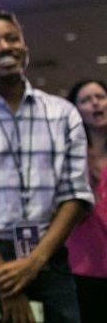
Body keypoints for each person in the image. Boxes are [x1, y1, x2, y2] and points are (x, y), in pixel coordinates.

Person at [0, 10, 92, 322]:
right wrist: (6, 281)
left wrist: (35, 262)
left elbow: (76, 195)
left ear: (25, 49)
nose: (4, 46)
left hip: (48, 255)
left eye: (12, 38)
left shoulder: (64, 113)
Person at [65, 79, 107, 322]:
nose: (95, 103)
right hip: (81, 266)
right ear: (76, 110)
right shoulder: (71, 154)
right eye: (86, 100)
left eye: (100, 97)